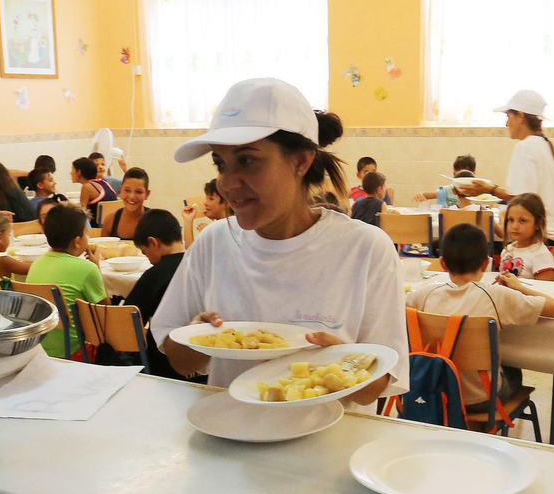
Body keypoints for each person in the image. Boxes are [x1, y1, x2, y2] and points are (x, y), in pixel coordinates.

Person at [152, 78, 408, 403]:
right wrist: (198, 338)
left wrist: (342, 364)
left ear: (301, 161)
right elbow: (180, 360)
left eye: (246, 160)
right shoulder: (214, 242)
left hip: (330, 446)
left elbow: (379, 385)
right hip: (231, 437)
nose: (227, 184)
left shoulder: (366, 248)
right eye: (220, 163)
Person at [406, 224, 554, 408]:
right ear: (485, 263)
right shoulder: (497, 295)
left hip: (433, 392)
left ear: (442, 263)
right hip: (482, 398)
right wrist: (519, 287)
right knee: (512, 368)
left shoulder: (422, 295)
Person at [453, 89, 554, 215]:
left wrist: (489, 189)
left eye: (508, 116)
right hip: (553, 229)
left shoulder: (525, 147)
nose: (507, 123)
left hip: (536, 232)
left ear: (520, 117)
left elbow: (521, 200)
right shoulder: (553, 148)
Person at [26, 204, 106, 358]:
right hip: (77, 352)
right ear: (77, 241)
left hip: (41, 350)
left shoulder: (36, 264)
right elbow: (105, 313)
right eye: (86, 233)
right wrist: (97, 267)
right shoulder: (87, 268)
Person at [123, 209, 188, 380]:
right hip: (204, 356)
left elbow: (129, 322)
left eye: (145, 253)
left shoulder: (155, 274)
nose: (149, 260)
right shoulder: (200, 264)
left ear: (154, 243)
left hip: (164, 365)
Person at [499, 194, 554, 278]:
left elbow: (544, 289)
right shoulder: (507, 250)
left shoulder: (541, 255)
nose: (515, 226)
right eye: (511, 220)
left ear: (539, 224)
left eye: (522, 221)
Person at [102, 168, 151, 240]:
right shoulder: (110, 221)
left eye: (138, 192)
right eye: (127, 190)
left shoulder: (154, 222)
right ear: (121, 190)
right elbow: (103, 249)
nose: (132, 197)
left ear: (147, 194)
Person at [182, 179, 231, 243]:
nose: (205, 203)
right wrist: (188, 221)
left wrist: (210, 234)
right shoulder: (216, 227)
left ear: (227, 202)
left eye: (211, 199)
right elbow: (191, 252)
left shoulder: (234, 227)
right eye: (206, 198)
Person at [72, 157, 118, 226]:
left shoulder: (87, 187)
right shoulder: (105, 182)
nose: (70, 173)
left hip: (97, 229)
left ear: (79, 172)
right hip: (112, 226)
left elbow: (81, 213)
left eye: (72, 169)